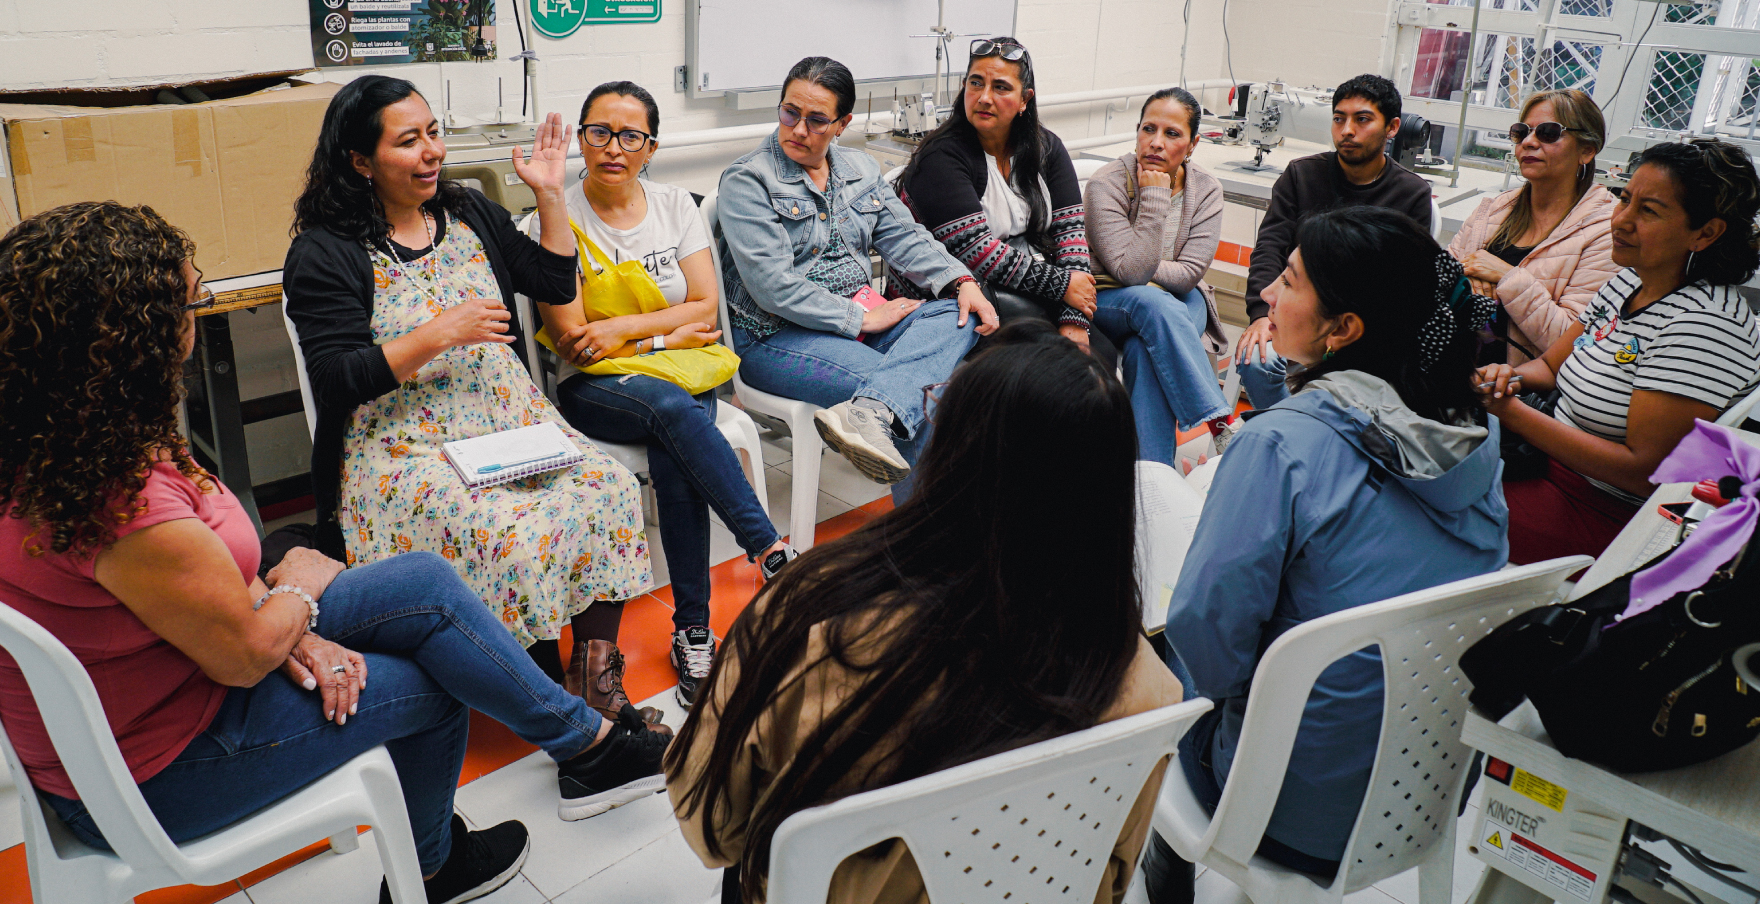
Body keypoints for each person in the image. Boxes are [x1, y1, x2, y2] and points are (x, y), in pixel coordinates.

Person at [0, 202, 670, 904]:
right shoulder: (123, 502)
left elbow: (202, 600)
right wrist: (298, 593)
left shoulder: (67, 443)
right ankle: (438, 866)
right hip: (161, 769)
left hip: (175, 675)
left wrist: (288, 620)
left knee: (422, 582)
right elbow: (240, 651)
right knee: (435, 685)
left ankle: (589, 747)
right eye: (194, 298)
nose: (200, 311)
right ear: (131, 337)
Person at [665, 322, 1182, 904]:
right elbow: (1108, 879)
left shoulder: (812, 616)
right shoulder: (1148, 686)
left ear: (957, 453)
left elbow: (710, 827)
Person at [1145, 207, 1508, 900]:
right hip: (1425, 788)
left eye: (1288, 280)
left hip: (1284, 808)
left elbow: (1208, 636)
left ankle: (1170, 861)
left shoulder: (1281, 445)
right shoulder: (1478, 435)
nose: (1269, 298)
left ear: (1344, 330)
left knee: (1157, 639)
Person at [283, 75, 661, 726]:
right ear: (358, 160)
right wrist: (439, 333)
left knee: (609, 488)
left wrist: (547, 194)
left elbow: (548, 278)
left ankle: (596, 682)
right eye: (409, 140)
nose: (432, 151)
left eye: (434, 133)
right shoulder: (325, 252)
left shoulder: (466, 214)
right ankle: (544, 694)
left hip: (509, 424)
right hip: (404, 448)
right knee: (505, 532)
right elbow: (336, 378)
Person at [529, 81, 794, 710]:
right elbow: (571, 341)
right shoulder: (552, 218)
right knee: (674, 413)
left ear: (651, 147)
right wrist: (662, 337)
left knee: (676, 451)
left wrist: (623, 331)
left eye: (630, 137)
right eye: (599, 132)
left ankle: (693, 632)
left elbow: (707, 306)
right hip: (595, 392)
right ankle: (769, 549)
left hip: (675, 371)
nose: (612, 148)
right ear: (580, 140)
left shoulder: (677, 206)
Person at [718, 56, 997, 494]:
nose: (797, 129)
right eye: (790, 113)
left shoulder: (858, 170)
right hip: (776, 336)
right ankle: (927, 543)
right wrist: (860, 318)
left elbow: (907, 236)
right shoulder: (748, 181)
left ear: (842, 124)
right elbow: (772, 286)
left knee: (958, 315)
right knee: (926, 397)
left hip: (859, 323)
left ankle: (870, 411)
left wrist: (962, 281)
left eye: (816, 120)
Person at [1478, 139, 1760, 564]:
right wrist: (1506, 378)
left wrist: (1511, 412)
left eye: (1648, 211)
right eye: (1624, 199)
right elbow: (1552, 367)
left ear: (1706, 232)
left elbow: (1643, 473)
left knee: (1415, 503)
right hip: (1545, 466)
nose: (1621, 221)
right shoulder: (1629, 281)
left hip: (1608, 513)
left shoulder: (1703, 326)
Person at [894, 37, 1108, 361]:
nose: (984, 98)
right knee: (1059, 375)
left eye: (1001, 88)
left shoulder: (1046, 147)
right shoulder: (940, 157)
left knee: (1105, 357)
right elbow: (980, 254)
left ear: (1025, 99)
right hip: (950, 307)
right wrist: (1064, 285)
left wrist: (1074, 320)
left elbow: (1072, 236)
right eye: (976, 83)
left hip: (1023, 293)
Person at [1234, 74, 1435, 408]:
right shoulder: (1301, 176)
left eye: (1362, 119)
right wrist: (1260, 313)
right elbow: (1269, 247)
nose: (1347, 130)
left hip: (1360, 335)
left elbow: (1403, 286)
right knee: (1256, 360)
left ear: (1393, 127)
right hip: (1295, 319)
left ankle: (1300, 432)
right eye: (1339, 119)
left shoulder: (1411, 194)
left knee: (1348, 390)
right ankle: (1288, 428)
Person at [1085, 86, 1235, 463]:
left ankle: (1151, 481)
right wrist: (1154, 196)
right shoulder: (1107, 183)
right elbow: (1127, 272)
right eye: (1148, 129)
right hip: (1108, 297)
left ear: (1193, 143)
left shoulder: (1207, 190)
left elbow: (1188, 276)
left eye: (1172, 134)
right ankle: (1218, 423)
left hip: (1182, 298)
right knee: (1152, 302)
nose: (1155, 142)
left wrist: (1147, 274)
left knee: (1144, 348)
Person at [1448, 89, 1619, 364]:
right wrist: (1465, 279)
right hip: (1452, 367)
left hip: (1517, 391)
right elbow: (1437, 284)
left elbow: (1572, 344)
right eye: (1521, 132)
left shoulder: (1607, 230)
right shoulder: (1494, 209)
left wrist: (1506, 277)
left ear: (1586, 151)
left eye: (1548, 133)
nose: (1528, 142)